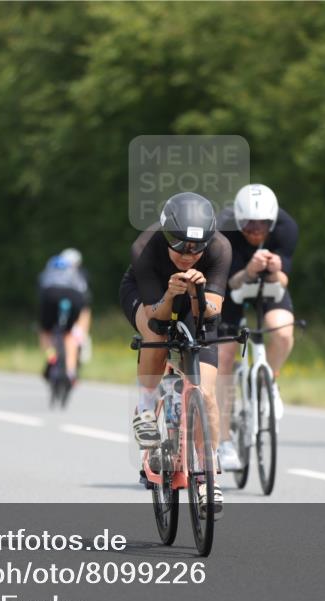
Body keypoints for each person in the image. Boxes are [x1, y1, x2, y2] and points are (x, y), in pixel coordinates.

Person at [118, 192, 230, 517]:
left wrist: (197, 293)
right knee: (157, 334)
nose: (188, 254)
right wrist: (171, 293)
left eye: (196, 248)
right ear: (167, 236)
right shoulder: (145, 246)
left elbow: (212, 313)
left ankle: (207, 473)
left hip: (198, 300)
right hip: (150, 297)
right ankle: (145, 406)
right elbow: (157, 316)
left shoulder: (220, 248)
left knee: (206, 393)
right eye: (179, 245)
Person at [215, 184, 299, 470]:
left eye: (262, 225)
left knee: (283, 332)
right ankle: (224, 441)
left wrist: (275, 270)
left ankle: (269, 381)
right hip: (232, 286)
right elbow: (230, 282)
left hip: (268, 286)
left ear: (272, 222)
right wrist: (249, 270)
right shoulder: (224, 231)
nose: (255, 231)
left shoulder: (286, 228)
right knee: (224, 355)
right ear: (238, 220)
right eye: (249, 225)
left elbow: (284, 280)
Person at [37, 248, 90, 385]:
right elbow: (85, 299)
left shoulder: (51, 265)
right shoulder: (78, 272)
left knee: (45, 330)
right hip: (74, 296)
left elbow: (41, 288)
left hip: (50, 294)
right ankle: (71, 371)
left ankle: (51, 357)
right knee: (69, 334)